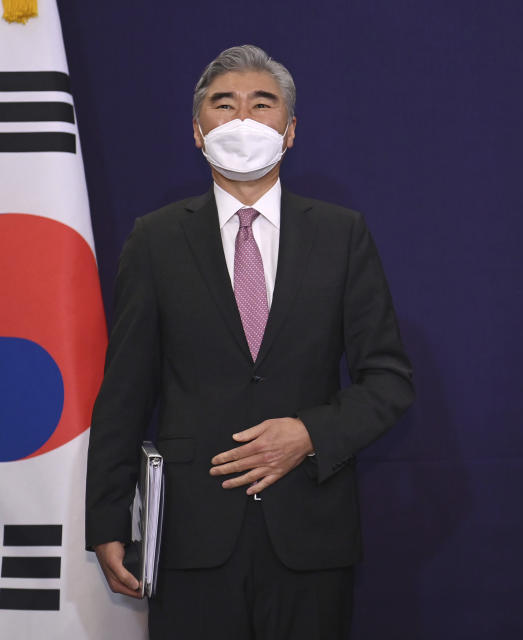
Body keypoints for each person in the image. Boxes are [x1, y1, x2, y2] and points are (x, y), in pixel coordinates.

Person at [85, 44, 414, 639]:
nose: (241, 119)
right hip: (191, 536)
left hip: (311, 532)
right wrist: (108, 519)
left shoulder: (341, 234)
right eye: (223, 104)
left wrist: (311, 433)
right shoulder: (154, 241)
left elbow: (388, 379)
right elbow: (124, 391)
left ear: (289, 131)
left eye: (261, 105)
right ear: (196, 131)